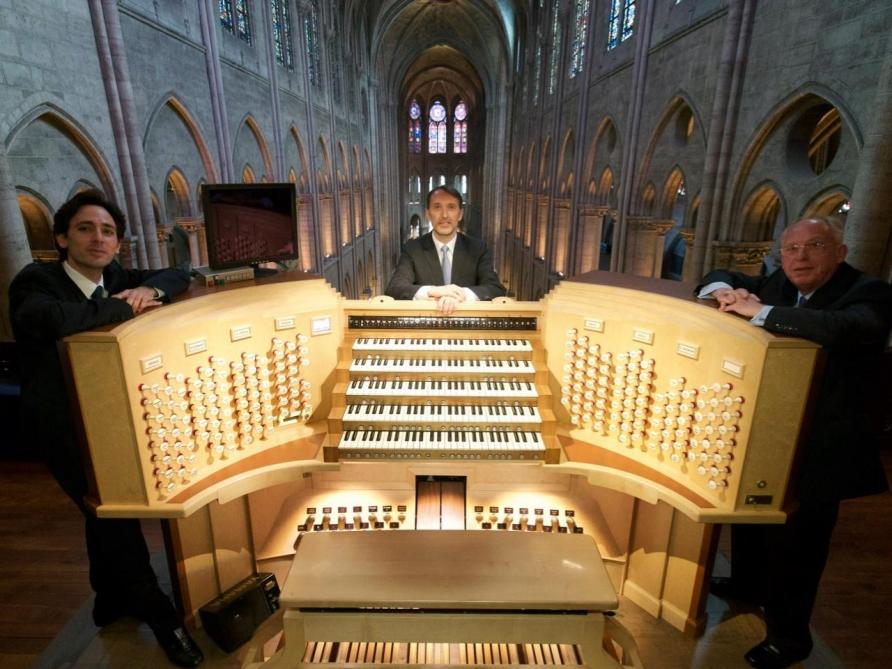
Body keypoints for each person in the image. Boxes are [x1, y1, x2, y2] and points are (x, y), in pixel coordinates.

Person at [8, 190, 203, 667]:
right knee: (114, 515)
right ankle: (161, 616)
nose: (98, 238)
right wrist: (124, 307)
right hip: (60, 426)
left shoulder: (112, 277)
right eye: (85, 228)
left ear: (118, 244)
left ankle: (107, 599)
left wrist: (149, 292)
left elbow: (182, 273)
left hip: (108, 417)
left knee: (100, 512)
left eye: (108, 231)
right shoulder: (37, 281)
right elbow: (53, 320)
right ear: (61, 237)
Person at [696, 216, 892, 669]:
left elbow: (842, 329)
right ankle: (746, 586)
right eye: (790, 249)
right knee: (750, 517)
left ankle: (789, 638)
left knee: (799, 548)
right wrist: (723, 291)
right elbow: (722, 275)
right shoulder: (779, 283)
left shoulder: (870, 292)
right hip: (769, 431)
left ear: (839, 252)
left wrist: (759, 313)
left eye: (814, 245)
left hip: (824, 447)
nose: (799, 257)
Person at [385, 186, 505, 313]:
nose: (444, 215)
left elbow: (495, 289)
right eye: (437, 207)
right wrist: (434, 291)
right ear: (428, 214)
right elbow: (395, 288)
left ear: (460, 214)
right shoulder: (412, 249)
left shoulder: (478, 249)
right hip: (425, 328)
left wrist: (460, 294)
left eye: (451, 207)